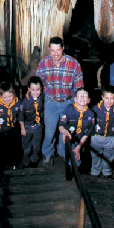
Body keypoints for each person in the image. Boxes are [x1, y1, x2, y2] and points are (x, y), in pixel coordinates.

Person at [36, 36, 84, 165]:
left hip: (68, 102)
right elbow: (38, 85)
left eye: (58, 50)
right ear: (49, 50)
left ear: (63, 48)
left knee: (66, 130)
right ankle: (47, 153)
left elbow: (79, 87)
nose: (55, 54)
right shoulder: (43, 63)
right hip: (51, 102)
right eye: (52, 50)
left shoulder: (74, 64)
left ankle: (63, 152)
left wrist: (77, 105)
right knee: (50, 131)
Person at [58, 87, 95, 175]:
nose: (82, 98)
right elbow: (61, 125)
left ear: (89, 100)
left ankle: (74, 170)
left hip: (80, 139)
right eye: (79, 96)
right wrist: (65, 132)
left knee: (77, 160)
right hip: (68, 135)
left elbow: (87, 134)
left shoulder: (91, 114)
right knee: (65, 152)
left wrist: (78, 147)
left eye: (85, 96)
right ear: (75, 99)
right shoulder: (69, 108)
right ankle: (68, 162)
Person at [0, 81, 22, 173]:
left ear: (14, 93)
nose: (8, 99)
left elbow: (20, 115)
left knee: (13, 148)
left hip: (12, 130)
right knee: (0, 150)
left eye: (10, 96)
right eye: (5, 97)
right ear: (0, 95)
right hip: (0, 131)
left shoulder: (18, 103)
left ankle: (13, 164)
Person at [90, 87, 114, 178]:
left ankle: (107, 172)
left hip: (110, 138)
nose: (109, 101)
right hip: (97, 137)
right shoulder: (95, 109)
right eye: (107, 98)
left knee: (109, 156)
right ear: (102, 97)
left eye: (112, 98)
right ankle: (95, 171)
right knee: (95, 155)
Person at [19, 76, 45, 168]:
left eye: (38, 89)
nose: (35, 92)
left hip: (38, 125)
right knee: (26, 147)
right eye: (33, 90)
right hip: (27, 126)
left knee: (36, 146)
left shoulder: (41, 97)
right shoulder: (25, 103)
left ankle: (34, 161)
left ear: (41, 88)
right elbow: (21, 117)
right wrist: (22, 128)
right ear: (29, 89)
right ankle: (25, 162)